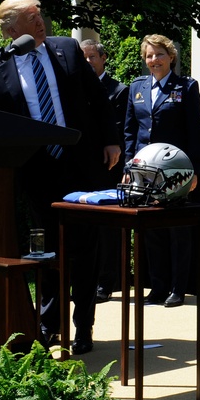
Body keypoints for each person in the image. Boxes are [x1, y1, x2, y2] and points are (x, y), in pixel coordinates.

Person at [0, 0, 120, 355]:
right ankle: (49, 326)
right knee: (46, 253)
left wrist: (112, 141)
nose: (40, 22)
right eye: (31, 18)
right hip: (37, 170)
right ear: (11, 30)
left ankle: (83, 327)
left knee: (86, 249)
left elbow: (98, 99)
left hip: (82, 165)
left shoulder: (67, 49)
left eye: (39, 15)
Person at [124, 34, 200, 308]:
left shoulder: (186, 87)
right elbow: (130, 132)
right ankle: (157, 287)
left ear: (171, 57)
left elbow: (196, 134)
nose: (153, 60)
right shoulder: (136, 88)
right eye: (149, 55)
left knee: (176, 232)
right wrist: (128, 167)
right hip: (143, 174)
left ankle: (177, 289)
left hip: (175, 173)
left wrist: (194, 172)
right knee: (151, 233)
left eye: (159, 54)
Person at [80, 39, 128, 303]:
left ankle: (107, 283)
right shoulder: (75, 88)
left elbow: (117, 128)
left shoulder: (118, 91)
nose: (88, 62)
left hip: (108, 168)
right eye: (83, 58)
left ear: (103, 58)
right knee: (86, 227)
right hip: (83, 168)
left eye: (91, 57)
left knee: (108, 229)